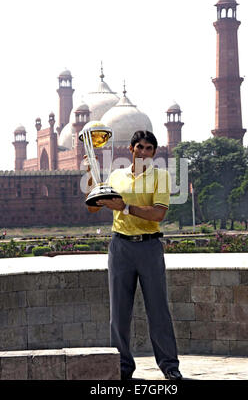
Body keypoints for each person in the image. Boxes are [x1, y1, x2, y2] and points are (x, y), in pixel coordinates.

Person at [85, 130, 182, 380]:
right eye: (140, 147)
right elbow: (93, 208)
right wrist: (91, 178)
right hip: (120, 247)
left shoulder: (161, 176)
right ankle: (122, 367)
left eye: (149, 148)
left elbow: (158, 214)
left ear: (155, 152)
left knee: (158, 310)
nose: (144, 152)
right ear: (131, 149)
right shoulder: (116, 176)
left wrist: (125, 207)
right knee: (119, 312)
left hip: (149, 247)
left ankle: (169, 367)